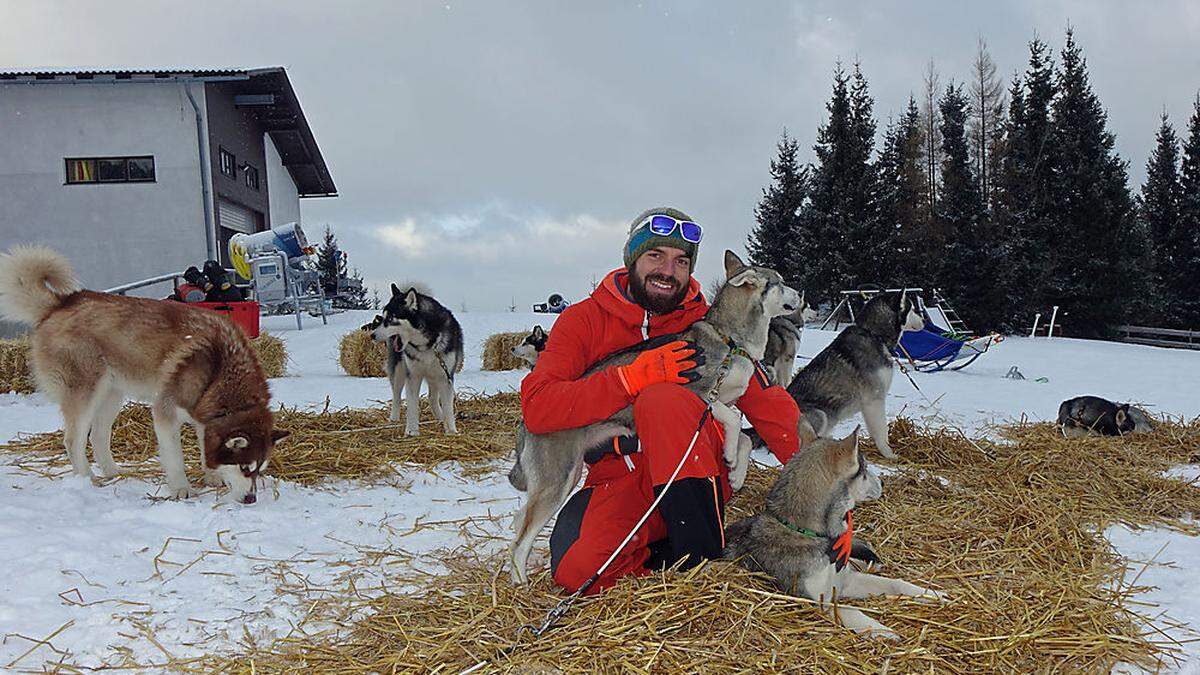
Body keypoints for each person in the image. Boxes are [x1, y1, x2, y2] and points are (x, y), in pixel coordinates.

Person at [520, 207, 802, 595]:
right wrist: (628, 379)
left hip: (698, 475)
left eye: (681, 261)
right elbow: (539, 408)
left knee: (665, 400)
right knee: (578, 571)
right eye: (656, 255)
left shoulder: (717, 328)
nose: (668, 271)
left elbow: (769, 407)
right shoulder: (582, 321)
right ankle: (664, 558)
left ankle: (701, 564)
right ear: (633, 257)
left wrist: (818, 474)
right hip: (621, 477)